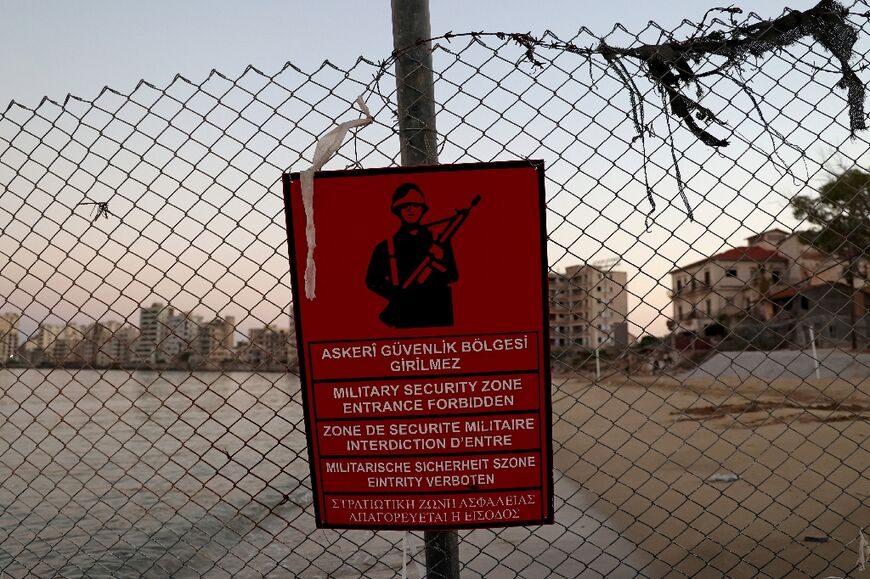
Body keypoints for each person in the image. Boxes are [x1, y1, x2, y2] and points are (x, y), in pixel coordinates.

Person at [366, 183, 458, 328]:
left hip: (438, 313)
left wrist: (441, 258)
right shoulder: (385, 247)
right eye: (405, 205)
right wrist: (399, 296)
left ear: (422, 209)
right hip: (406, 317)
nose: (410, 209)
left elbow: (453, 276)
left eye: (415, 204)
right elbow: (372, 281)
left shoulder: (439, 241)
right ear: (397, 210)